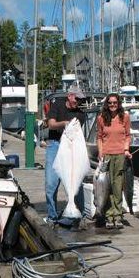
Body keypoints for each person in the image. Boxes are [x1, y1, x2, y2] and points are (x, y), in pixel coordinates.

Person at [45, 87, 86, 225]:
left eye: (80, 99)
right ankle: (52, 216)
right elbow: (50, 125)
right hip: (55, 145)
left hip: (70, 148)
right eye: (76, 98)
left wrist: (70, 127)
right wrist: (64, 124)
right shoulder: (57, 105)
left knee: (76, 181)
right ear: (69, 96)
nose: (78, 101)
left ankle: (79, 215)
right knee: (51, 183)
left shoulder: (81, 114)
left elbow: (76, 135)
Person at [97, 93, 131, 229]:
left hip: (120, 154)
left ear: (119, 103)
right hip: (106, 155)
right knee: (107, 186)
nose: (112, 105)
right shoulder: (101, 118)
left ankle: (117, 215)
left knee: (118, 186)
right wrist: (100, 152)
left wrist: (126, 149)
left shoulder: (125, 117)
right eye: (110, 103)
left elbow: (128, 135)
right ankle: (108, 215)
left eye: (115, 103)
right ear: (107, 104)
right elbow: (99, 137)